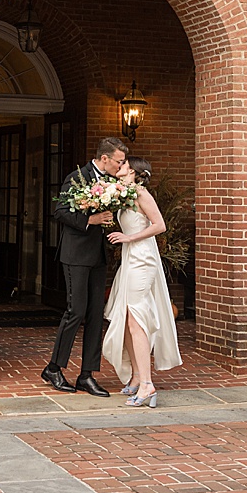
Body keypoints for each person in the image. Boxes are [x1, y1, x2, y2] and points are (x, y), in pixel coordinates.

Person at [43, 137, 129, 397]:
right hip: (76, 254)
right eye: (118, 161)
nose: (120, 165)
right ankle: (54, 368)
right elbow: (60, 212)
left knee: (95, 315)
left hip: (98, 256)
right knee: (75, 311)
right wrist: (90, 219)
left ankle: (87, 375)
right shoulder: (77, 177)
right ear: (105, 158)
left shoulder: (114, 182)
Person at [100, 156, 180, 407]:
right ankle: (136, 376)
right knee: (125, 321)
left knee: (136, 321)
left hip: (142, 259)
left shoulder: (142, 194)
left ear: (133, 171)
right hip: (130, 261)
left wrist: (128, 238)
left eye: (123, 165)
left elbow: (160, 226)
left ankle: (147, 384)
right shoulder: (125, 194)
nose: (119, 167)